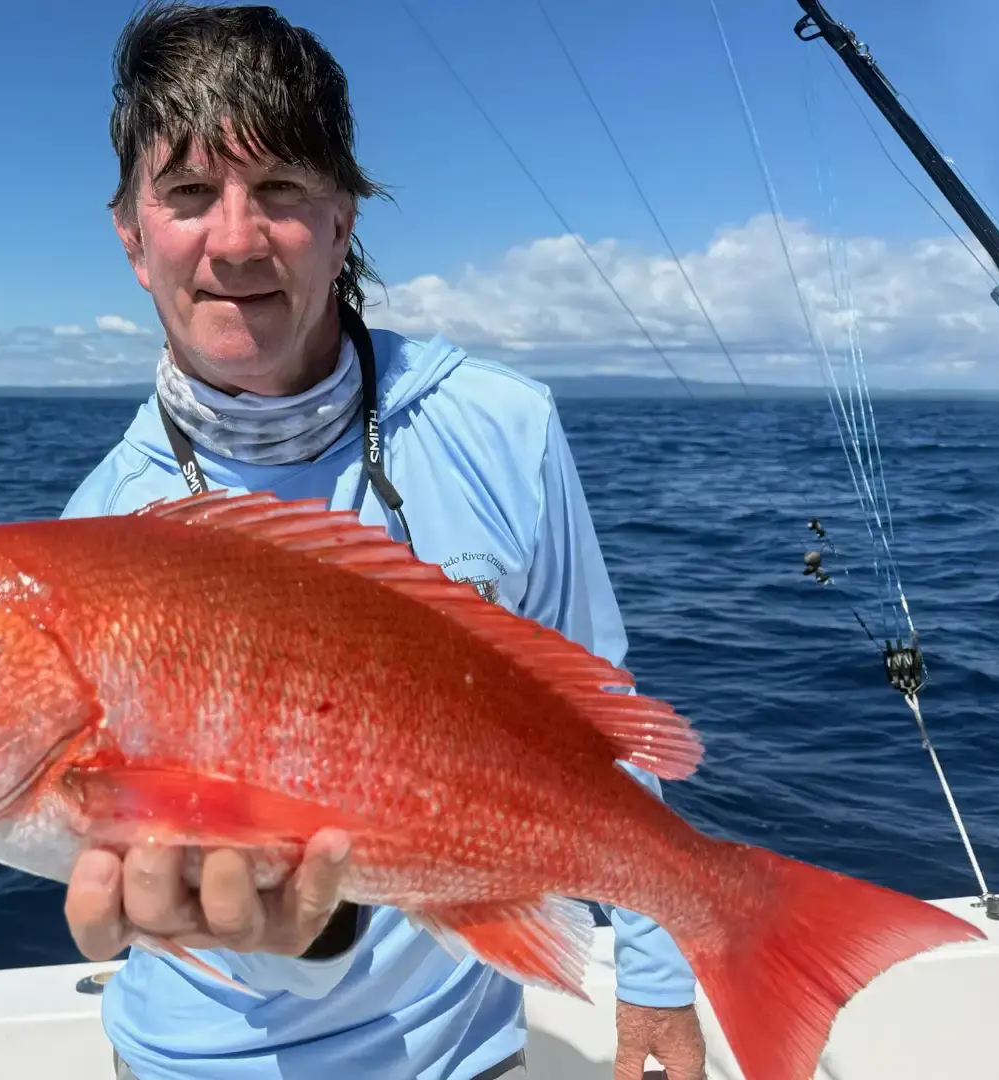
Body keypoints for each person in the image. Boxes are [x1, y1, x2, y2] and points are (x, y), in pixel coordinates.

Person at [58, 4, 708, 1079]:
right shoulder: (104, 533)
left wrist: (659, 973)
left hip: (466, 1051)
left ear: (344, 220)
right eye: (185, 194)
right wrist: (288, 930)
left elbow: (604, 722)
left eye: (280, 191)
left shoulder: (501, 426)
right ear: (131, 238)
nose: (234, 238)